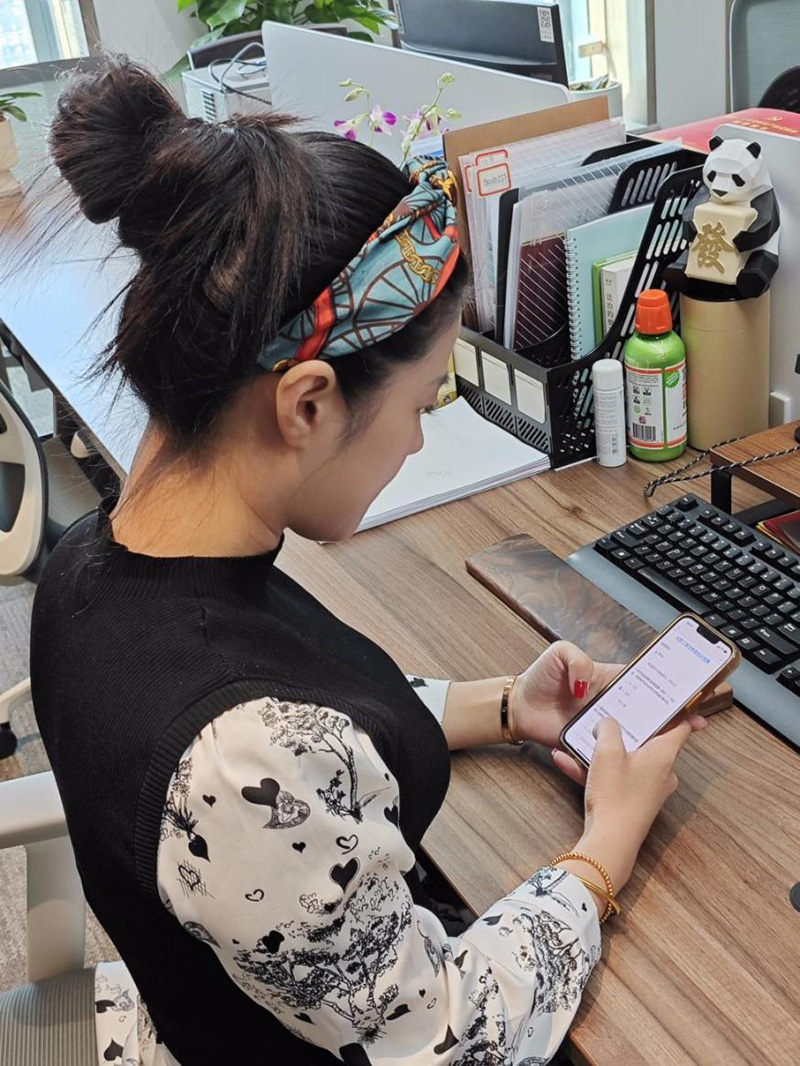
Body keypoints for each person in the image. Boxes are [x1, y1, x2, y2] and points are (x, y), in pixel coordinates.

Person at [30, 59, 708, 1066]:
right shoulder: (235, 753)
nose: (416, 441)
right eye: (420, 401)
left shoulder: (99, 562)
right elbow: (449, 1037)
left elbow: (304, 722)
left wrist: (501, 705)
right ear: (307, 403)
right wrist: (607, 842)